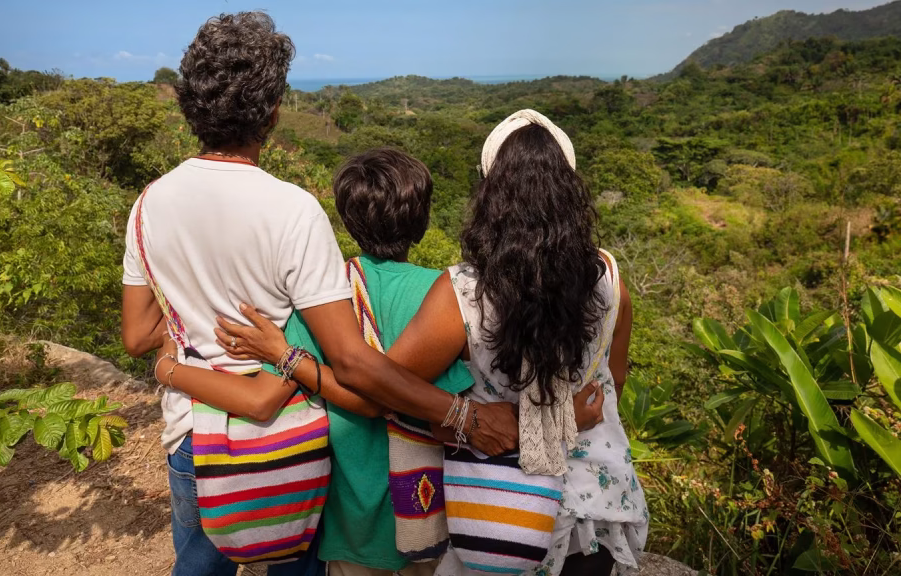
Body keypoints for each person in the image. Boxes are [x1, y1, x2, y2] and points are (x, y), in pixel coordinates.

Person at [120, 12, 519, 576]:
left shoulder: (148, 204)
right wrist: (466, 417)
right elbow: (353, 360)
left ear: (191, 104)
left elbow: (137, 334)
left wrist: (178, 351)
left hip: (192, 430)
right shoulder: (292, 209)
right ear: (274, 110)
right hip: (286, 436)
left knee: (197, 567)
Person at [217, 110, 648, 576]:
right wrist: (559, 417)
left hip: (497, 509)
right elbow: (611, 390)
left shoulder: (465, 292)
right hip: (597, 502)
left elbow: (380, 386)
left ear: (489, 191)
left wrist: (466, 417)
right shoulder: (610, 280)